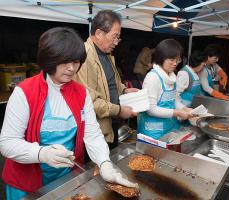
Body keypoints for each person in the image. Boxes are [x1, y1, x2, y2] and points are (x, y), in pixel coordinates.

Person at [0, 27, 138, 200]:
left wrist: (104, 163)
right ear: (48, 59)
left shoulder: (82, 93)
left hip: (66, 178)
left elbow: (92, 134)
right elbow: (7, 143)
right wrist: (42, 153)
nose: (72, 68)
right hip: (26, 183)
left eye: (76, 62)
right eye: (65, 62)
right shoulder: (25, 92)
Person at [73, 10, 138, 149]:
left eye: (118, 38)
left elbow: (111, 82)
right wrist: (119, 111)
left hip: (111, 122)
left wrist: (125, 90)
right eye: (114, 37)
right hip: (96, 130)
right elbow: (90, 101)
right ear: (99, 33)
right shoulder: (84, 56)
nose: (116, 42)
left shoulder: (106, 53)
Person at [138, 39, 193, 140]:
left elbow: (175, 100)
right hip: (154, 131)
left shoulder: (172, 76)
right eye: (172, 60)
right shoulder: (152, 77)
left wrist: (184, 109)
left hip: (169, 127)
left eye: (178, 60)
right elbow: (151, 109)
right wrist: (177, 113)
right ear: (161, 58)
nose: (175, 63)